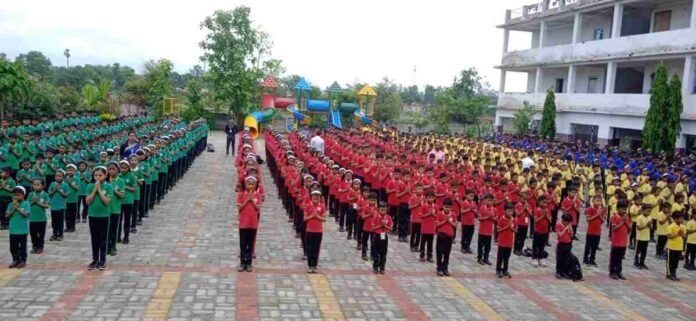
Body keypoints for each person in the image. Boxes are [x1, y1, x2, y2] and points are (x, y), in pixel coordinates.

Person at [86, 166, 113, 270]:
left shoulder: (109, 186)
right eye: (96, 175)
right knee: (94, 238)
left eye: (100, 175)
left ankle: (102, 260)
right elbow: (88, 201)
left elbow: (106, 201)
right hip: (93, 215)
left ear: (105, 176)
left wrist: (99, 190)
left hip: (104, 216)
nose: (97, 177)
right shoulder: (89, 186)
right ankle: (95, 259)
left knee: (103, 239)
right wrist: (94, 190)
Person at [237, 176, 262, 272]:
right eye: (249, 184)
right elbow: (239, 208)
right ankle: (243, 262)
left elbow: (258, 208)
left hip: (253, 223)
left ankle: (249, 263)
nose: (250, 186)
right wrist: (247, 199)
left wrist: (252, 200)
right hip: (243, 223)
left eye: (252, 184)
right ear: (246, 185)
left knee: (250, 244)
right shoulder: (241, 194)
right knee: (243, 243)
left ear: (255, 185)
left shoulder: (258, 195)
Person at [7, 186, 30, 268]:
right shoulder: (10, 204)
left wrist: (18, 208)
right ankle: (15, 259)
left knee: (22, 247)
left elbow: (26, 215)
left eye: (18, 195)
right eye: (15, 195)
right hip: (13, 230)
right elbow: (8, 215)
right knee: (13, 247)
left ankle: (22, 260)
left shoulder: (26, 203)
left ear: (23, 195)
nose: (16, 197)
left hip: (22, 230)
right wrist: (14, 208)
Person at [304, 190, 326, 273]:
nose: (316, 197)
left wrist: (317, 216)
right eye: (314, 196)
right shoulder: (308, 206)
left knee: (316, 248)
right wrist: (312, 216)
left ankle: (315, 265)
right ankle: (310, 265)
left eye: (318, 196)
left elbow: (324, 219)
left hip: (318, 231)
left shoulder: (322, 206)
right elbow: (305, 218)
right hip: (309, 230)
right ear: (311, 197)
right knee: (309, 248)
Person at [609, 200, 630, 280]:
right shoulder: (615, 217)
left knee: (620, 258)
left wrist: (627, 223)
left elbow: (629, 229)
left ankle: (619, 271)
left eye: (625, 209)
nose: (624, 211)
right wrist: (622, 221)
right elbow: (614, 228)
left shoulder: (627, 217)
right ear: (618, 209)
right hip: (616, 242)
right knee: (614, 257)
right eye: (622, 209)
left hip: (623, 242)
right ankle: (612, 272)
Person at [106, 162, 124, 256]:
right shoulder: (105, 180)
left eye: (113, 169)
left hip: (115, 209)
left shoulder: (120, 181)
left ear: (117, 170)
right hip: (105, 209)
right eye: (110, 169)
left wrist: (114, 189)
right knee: (106, 230)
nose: (111, 171)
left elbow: (122, 195)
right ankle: (107, 247)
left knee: (113, 229)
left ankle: (113, 247)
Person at [435, 198, 457, 276]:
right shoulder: (440, 214)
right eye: (446, 207)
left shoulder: (453, 214)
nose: (448, 209)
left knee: (447, 253)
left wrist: (449, 222)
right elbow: (437, 225)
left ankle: (445, 268)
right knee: (439, 252)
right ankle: (439, 268)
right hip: (441, 235)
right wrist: (444, 221)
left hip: (449, 236)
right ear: (443, 206)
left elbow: (455, 225)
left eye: (449, 207)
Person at [28, 179, 49, 254]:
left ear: (42, 186)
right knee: (33, 234)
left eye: (38, 185)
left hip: (41, 219)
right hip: (32, 219)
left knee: (41, 234)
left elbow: (46, 205)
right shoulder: (31, 194)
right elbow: (27, 205)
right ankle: (34, 246)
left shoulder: (45, 194)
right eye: (34, 184)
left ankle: (40, 247)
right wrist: (33, 202)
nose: (36, 186)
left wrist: (38, 202)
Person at [583, 194, 605, 266]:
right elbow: (588, 219)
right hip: (590, 231)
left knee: (594, 247)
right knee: (588, 246)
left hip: (598, 232)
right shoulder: (590, 209)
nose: (598, 202)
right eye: (597, 200)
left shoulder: (602, 210)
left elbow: (602, 221)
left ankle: (592, 259)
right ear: (593, 201)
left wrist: (600, 215)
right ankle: (585, 259)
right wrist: (596, 215)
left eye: (600, 201)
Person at [372, 201, 393, 274]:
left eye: (385, 210)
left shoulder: (388, 217)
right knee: (376, 252)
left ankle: (382, 268)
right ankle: (375, 267)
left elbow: (390, 228)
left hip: (384, 236)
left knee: (383, 253)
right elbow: (373, 228)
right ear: (378, 209)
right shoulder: (376, 216)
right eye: (382, 209)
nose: (383, 211)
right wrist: (381, 225)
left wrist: (385, 226)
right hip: (377, 236)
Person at [496, 202, 516, 278]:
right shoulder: (501, 219)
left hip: (510, 242)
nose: (510, 212)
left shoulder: (514, 220)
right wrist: (506, 227)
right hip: (502, 242)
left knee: (507, 257)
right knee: (500, 257)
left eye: (511, 211)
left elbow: (516, 230)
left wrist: (511, 228)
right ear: (504, 211)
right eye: (508, 211)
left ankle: (505, 270)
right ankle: (498, 270)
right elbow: (498, 230)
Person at [48, 170, 68, 242]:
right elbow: (49, 193)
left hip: (61, 206)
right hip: (53, 206)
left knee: (60, 221)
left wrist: (59, 190)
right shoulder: (52, 184)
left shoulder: (65, 185)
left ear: (63, 177)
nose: (58, 178)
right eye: (56, 176)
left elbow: (66, 195)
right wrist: (54, 190)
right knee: (54, 221)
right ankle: (54, 234)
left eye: (60, 176)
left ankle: (60, 234)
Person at [666, 212, 686, 281]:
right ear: (675, 219)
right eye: (681, 218)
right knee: (670, 261)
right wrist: (677, 234)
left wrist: (682, 234)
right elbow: (669, 236)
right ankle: (669, 274)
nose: (682, 220)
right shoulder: (671, 226)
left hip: (679, 247)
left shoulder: (683, 226)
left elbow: (684, 236)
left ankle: (674, 273)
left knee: (675, 261)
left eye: (682, 218)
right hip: (671, 247)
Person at [477, 194, 496, 265]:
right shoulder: (482, 208)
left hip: (489, 231)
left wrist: (491, 217)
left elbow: (496, 219)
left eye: (491, 201)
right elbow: (479, 218)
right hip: (482, 231)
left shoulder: (494, 209)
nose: (490, 202)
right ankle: (479, 258)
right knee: (480, 246)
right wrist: (487, 217)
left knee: (488, 247)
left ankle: (486, 258)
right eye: (488, 200)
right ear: (485, 201)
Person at [419, 191, 437, 263]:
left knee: (430, 243)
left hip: (432, 228)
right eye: (429, 197)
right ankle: (422, 255)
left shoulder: (435, 206)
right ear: (426, 198)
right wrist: (428, 214)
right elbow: (421, 216)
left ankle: (430, 255)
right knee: (423, 242)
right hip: (424, 228)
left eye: (432, 197)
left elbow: (437, 216)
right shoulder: (423, 206)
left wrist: (433, 214)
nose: (431, 199)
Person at [634, 204, 652, 269]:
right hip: (640, 237)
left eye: (650, 211)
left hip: (646, 237)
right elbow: (638, 228)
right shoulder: (639, 218)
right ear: (643, 210)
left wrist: (650, 225)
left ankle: (642, 262)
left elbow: (650, 228)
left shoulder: (649, 218)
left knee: (644, 251)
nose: (649, 213)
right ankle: (636, 262)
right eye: (647, 211)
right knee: (637, 251)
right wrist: (646, 225)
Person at [555, 213, 574, 279]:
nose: (568, 223)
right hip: (561, 244)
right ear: (563, 220)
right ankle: (558, 272)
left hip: (568, 243)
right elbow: (559, 235)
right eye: (567, 222)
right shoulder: (559, 225)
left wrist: (571, 230)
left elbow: (571, 236)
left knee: (566, 258)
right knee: (560, 258)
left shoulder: (569, 226)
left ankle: (565, 271)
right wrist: (565, 229)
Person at [64, 164, 80, 233]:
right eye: (68, 170)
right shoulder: (64, 178)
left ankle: (72, 227)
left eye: (71, 170)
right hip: (66, 199)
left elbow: (77, 188)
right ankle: (68, 227)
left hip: (73, 199)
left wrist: (70, 183)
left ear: (75, 171)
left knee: (72, 214)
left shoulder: (76, 178)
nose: (70, 172)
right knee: (66, 214)